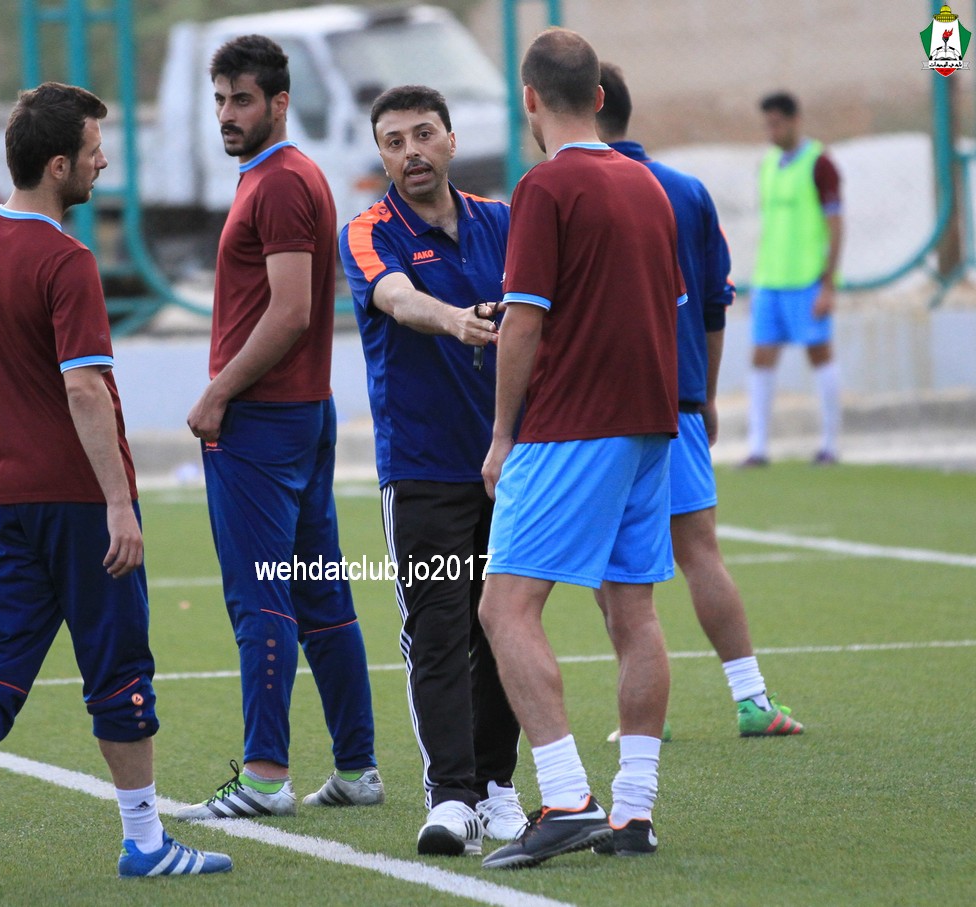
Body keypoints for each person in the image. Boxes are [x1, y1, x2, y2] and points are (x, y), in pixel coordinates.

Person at [0, 82, 232, 889]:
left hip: (2, 494)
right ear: (57, 165)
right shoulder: (67, 259)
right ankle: (144, 840)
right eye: (92, 151)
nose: (101, 162)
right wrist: (118, 501)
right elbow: (84, 389)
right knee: (119, 666)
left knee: (0, 660)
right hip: (78, 499)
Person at [477, 28, 685, 869]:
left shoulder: (545, 185)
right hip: (651, 421)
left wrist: (502, 433)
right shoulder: (647, 184)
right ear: (599, 97)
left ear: (529, 99)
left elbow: (523, 320)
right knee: (633, 612)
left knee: (504, 607)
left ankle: (566, 797)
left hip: (574, 422)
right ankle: (633, 812)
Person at [177, 35, 381, 820]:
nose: (227, 114)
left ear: (280, 102)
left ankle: (264, 775)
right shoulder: (278, 177)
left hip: (263, 420)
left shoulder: (283, 182)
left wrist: (218, 392)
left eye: (243, 100)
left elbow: (293, 311)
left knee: (259, 596)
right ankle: (357, 767)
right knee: (320, 594)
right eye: (220, 100)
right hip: (298, 413)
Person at [340, 85, 526, 856]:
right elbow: (395, 297)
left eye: (423, 134)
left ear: (451, 139)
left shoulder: (503, 222)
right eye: (394, 141)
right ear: (381, 154)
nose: (410, 152)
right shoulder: (367, 230)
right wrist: (457, 321)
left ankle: (500, 787)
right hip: (421, 469)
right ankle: (451, 796)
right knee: (439, 630)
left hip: (511, 465)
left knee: (506, 625)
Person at [596, 63, 804, 744]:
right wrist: (706, 395)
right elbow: (715, 302)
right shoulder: (686, 190)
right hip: (678, 401)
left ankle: (639, 714)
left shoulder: (564, 187)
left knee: (614, 564)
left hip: (595, 413)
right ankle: (752, 698)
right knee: (699, 550)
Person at [742, 91, 844, 467]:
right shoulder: (767, 164)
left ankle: (831, 443)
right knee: (761, 356)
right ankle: (757, 447)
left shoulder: (820, 164)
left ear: (795, 120)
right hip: (770, 280)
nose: (772, 131)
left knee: (819, 354)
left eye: (777, 124)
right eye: (767, 124)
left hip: (806, 280)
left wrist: (828, 284)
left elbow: (836, 225)